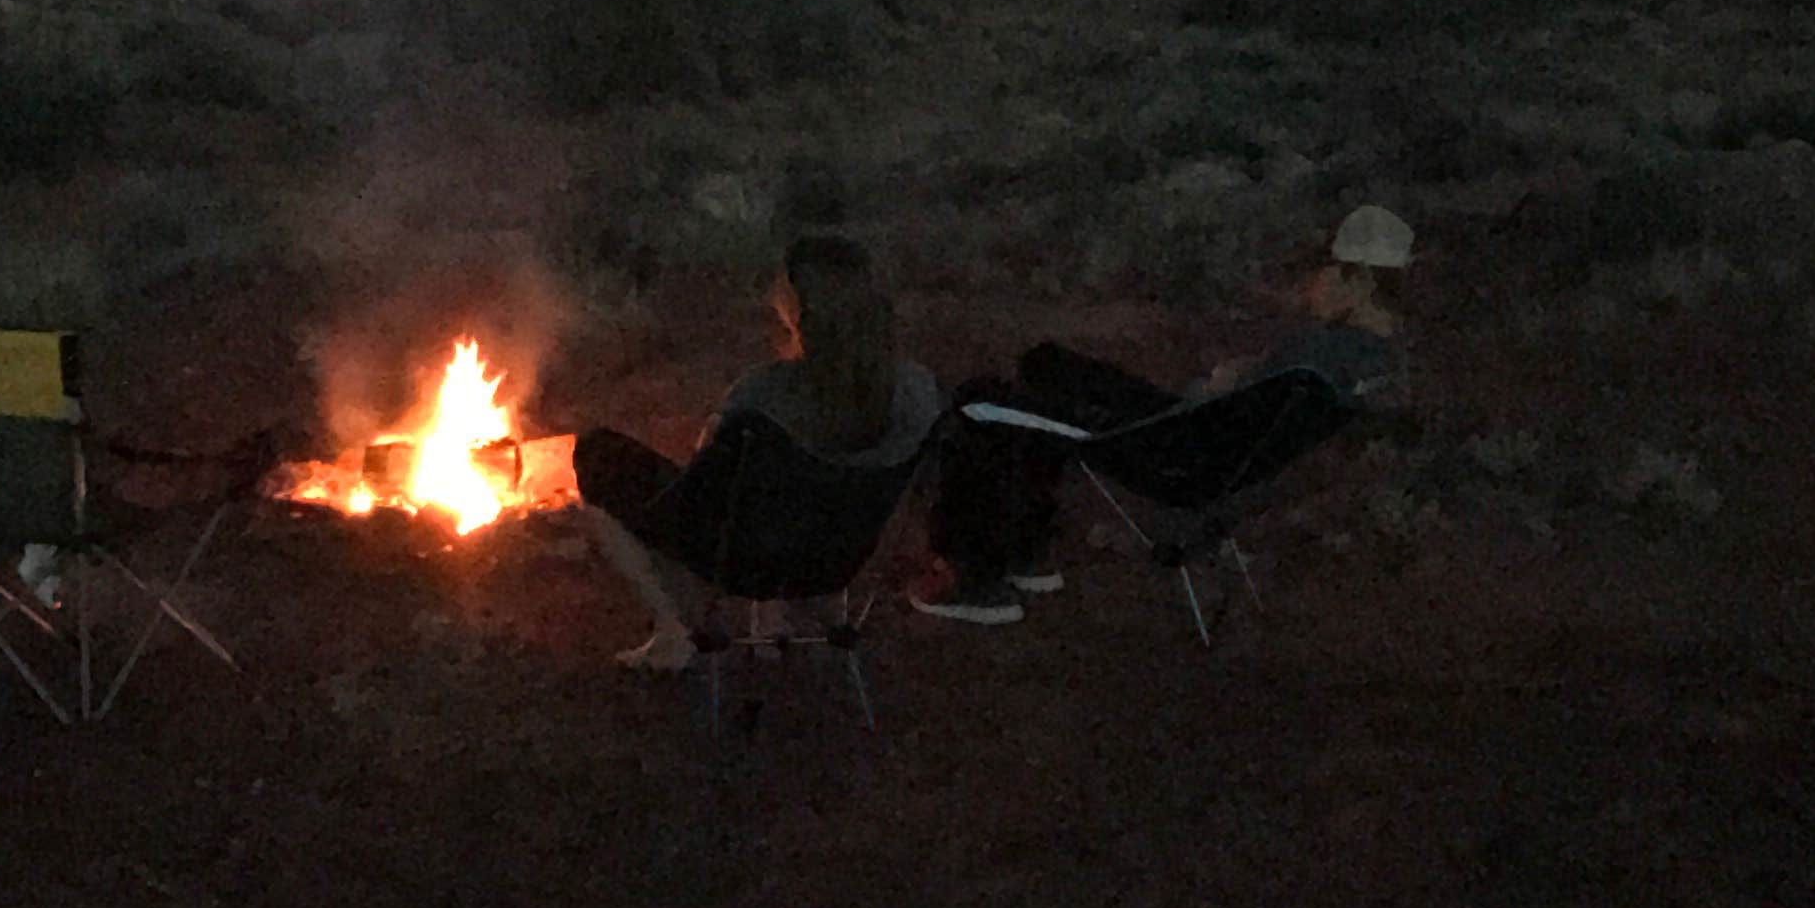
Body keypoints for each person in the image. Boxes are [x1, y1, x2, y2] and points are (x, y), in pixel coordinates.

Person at [915, 205, 1415, 620]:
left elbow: (1240, 399)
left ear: (1360, 282)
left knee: (981, 400)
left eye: (1321, 272)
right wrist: (1233, 385)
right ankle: (1019, 546)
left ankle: (975, 575)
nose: (1310, 286)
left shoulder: (1319, 349)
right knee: (1045, 365)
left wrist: (1227, 382)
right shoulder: (1369, 360)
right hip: (1197, 438)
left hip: (1171, 452)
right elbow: (1254, 408)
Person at [572, 229, 944, 671]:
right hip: (836, 559)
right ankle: (774, 620)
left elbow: (707, 482)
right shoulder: (918, 390)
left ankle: (674, 631)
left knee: (596, 454)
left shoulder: (761, 395)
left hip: (741, 561)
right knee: (792, 489)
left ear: (797, 311)